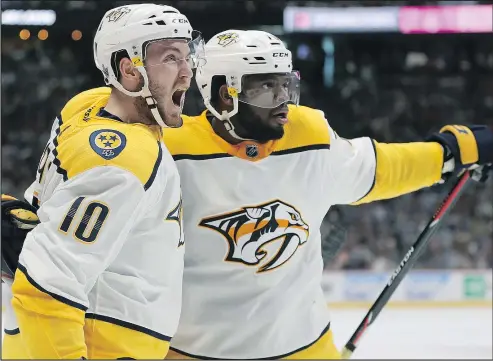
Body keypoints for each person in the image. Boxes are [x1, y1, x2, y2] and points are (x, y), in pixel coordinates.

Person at [162, 30, 493, 359]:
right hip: (194, 352)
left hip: (305, 350)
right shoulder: (171, 153)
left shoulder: (307, 135)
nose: (283, 102)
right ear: (224, 94)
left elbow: (380, 169)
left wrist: (450, 153)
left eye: (286, 85)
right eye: (265, 87)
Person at [2, 4, 204, 359]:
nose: (188, 73)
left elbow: (37, 225)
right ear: (129, 70)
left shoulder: (87, 106)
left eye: (188, 57)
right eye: (172, 58)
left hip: (57, 336)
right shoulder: (125, 157)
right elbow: (48, 285)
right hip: (99, 342)